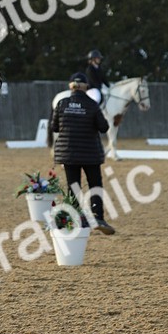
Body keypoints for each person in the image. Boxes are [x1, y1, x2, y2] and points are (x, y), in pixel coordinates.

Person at [49, 72, 115, 235]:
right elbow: (104, 128)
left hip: (68, 154)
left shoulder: (62, 103)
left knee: (73, 186)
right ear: (86, 87)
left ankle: (74, 218)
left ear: (70, 86)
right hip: (90, 154)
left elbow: (54, 127)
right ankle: (98, 217)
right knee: (95, 184)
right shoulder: (92, 105)